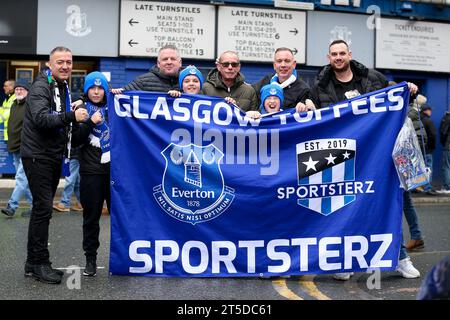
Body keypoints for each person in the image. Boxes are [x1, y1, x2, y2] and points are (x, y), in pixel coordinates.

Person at [310, 40, 420, 280]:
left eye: (342, 53)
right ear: (328, 57)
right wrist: (304, 105)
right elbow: (313, 117)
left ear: (350, 54)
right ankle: (343, 261)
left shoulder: (373, 78)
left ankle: (401, 258)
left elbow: (396, 96)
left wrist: (408, 88)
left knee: (385, 203)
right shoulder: (319, 84)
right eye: (334, 54)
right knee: (341, 207)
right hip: (339, 155)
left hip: (375, 153)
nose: (338, 57)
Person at [21, 46, 89, 284]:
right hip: (37, 156)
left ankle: (33, 262)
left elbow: (60, 121)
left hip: (49, 155)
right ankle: (39, 264)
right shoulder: (41, 86)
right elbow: (41, 119)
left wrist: (77, 117)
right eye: (60, 62)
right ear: (49, 64)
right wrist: (72, 116)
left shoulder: (62, 87)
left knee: (43, 209)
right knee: (42, 210)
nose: (65, 66)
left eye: (69, 62)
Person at [72, 71, 111, 277]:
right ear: (87, 90)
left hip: (115, 174)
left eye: (100, 88)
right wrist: (90, 122)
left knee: (121, 218)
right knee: (91, 219)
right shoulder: (80, 109)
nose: (96, 92)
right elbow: (75, 140)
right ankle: (90, 259)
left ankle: (120, 256)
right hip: (90, 172)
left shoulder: (116, 107)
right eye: (92, 88)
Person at [1, 82, 33, 218]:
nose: (18, 91)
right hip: (13, 147)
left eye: (21, 89)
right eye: (17, 89)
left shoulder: (29, 105)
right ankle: (36, 206)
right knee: (24, 179)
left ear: (27, 91)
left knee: (21, 177)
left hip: (25, 147)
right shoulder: (14, 105)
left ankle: (12, 206)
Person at [252, 47, 315, 113]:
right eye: (279, 61)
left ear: (294, 64)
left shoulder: (304, 90)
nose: (283, 65)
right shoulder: (265, 81)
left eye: (287, 61)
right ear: (274, 65)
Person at [111, 44, 182, 94]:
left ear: (180, 62)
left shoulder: (190, 80)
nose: (169, 62)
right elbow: (123, 95)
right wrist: (116, 93)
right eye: (165, 59)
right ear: (158, 63)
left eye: (173, 59)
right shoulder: (143, 82)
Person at [419, 103, 437, 194]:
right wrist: (432, 147)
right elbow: (433, 135)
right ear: (426, 110)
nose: (431, 112)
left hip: (418, 148)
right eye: (430, 110)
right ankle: (427, 188)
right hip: (427, 149)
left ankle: (417, 187)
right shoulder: (428, 121)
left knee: (419, 168)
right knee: (428, 168)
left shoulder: (418, 120)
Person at [436, 110, 450, 194]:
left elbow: (443, 132)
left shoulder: (447, 118)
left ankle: (447, 187)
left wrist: (443, 142)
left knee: (447, 167)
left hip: (448, 146)